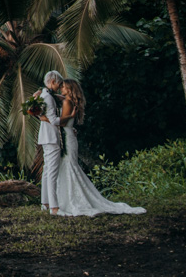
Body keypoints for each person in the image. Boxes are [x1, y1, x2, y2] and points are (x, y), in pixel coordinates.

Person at [53, 79, 146, 217]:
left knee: (69, 166)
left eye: (64, 87)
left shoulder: (67, 102)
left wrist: (48, 118)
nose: (61, 89)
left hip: (67, 136)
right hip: (70, 135)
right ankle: (66, 199)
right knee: (69, 166)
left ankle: (70, 200)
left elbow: (62, 122)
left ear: (70, 89)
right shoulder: (70, 101)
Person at [33, 70, 65, 215]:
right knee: (52, 172)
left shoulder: (44, 95)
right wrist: (68, 120)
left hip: (45, 138)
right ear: (52, 82)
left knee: (47, 171)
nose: (59, 87)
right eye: (58, 84)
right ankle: (54, 207)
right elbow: (54, 121)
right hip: (51, 138)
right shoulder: (48, 98)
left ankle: (45, 202)